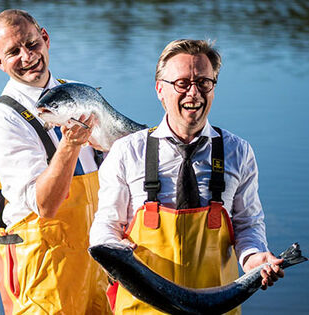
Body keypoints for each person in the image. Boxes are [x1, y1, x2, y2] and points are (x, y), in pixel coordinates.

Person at [89, 39, 284, 314]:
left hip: (217, 307)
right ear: (160, 89)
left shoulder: (238, 152)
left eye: (204, 82)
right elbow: (104, 227)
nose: (194, 93)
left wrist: (254, 259)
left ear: (214, 88)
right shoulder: (127, 152)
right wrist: (113, 248)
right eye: (182, 83)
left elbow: (248, 225)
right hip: (140, 308)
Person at [0, 9, 110, 315]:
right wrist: (70, 144)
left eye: (31, 43)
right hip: (44, 276)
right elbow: (46, 205)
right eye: (13, 52)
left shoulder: (80, 91)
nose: (27, 56)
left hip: (98, 267)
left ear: (45, 38)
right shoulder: (4, 120)